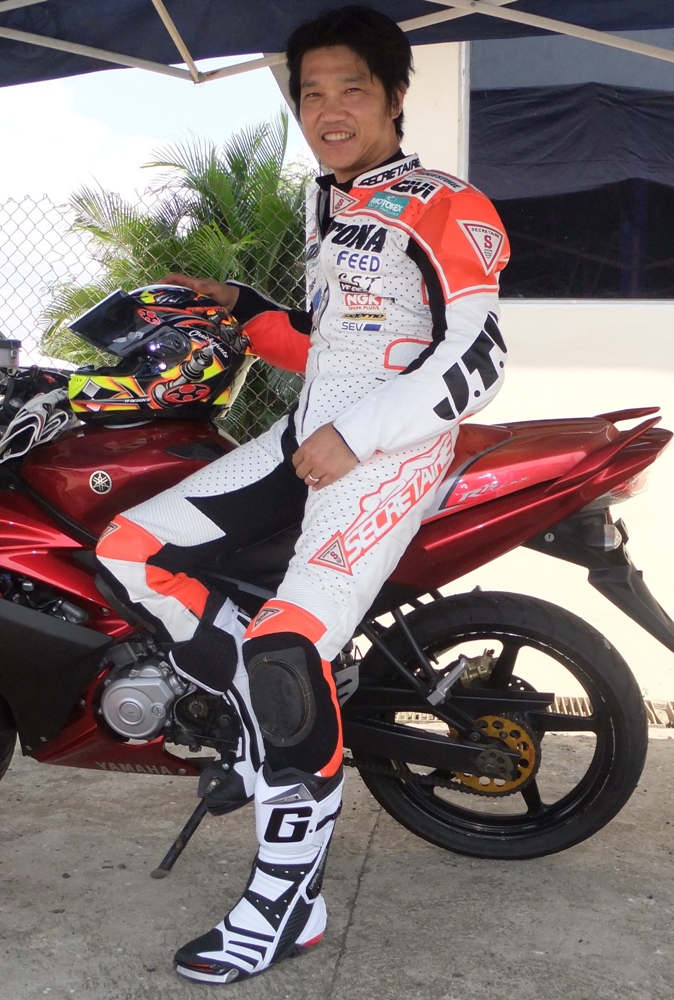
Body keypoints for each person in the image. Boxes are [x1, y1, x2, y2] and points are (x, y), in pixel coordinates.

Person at [95, 4, 510, 985]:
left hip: (390, 456)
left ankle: (289, 903)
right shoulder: (332, 202)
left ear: (395, 96)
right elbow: (333, 345)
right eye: (311, 92)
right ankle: (265, 729)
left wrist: (355, 436)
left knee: (284, 649)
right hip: (307, 439)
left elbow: (481, 354)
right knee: (128, 551)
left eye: (349, 89)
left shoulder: (448, 203)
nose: (328, 109)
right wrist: (241, 310)